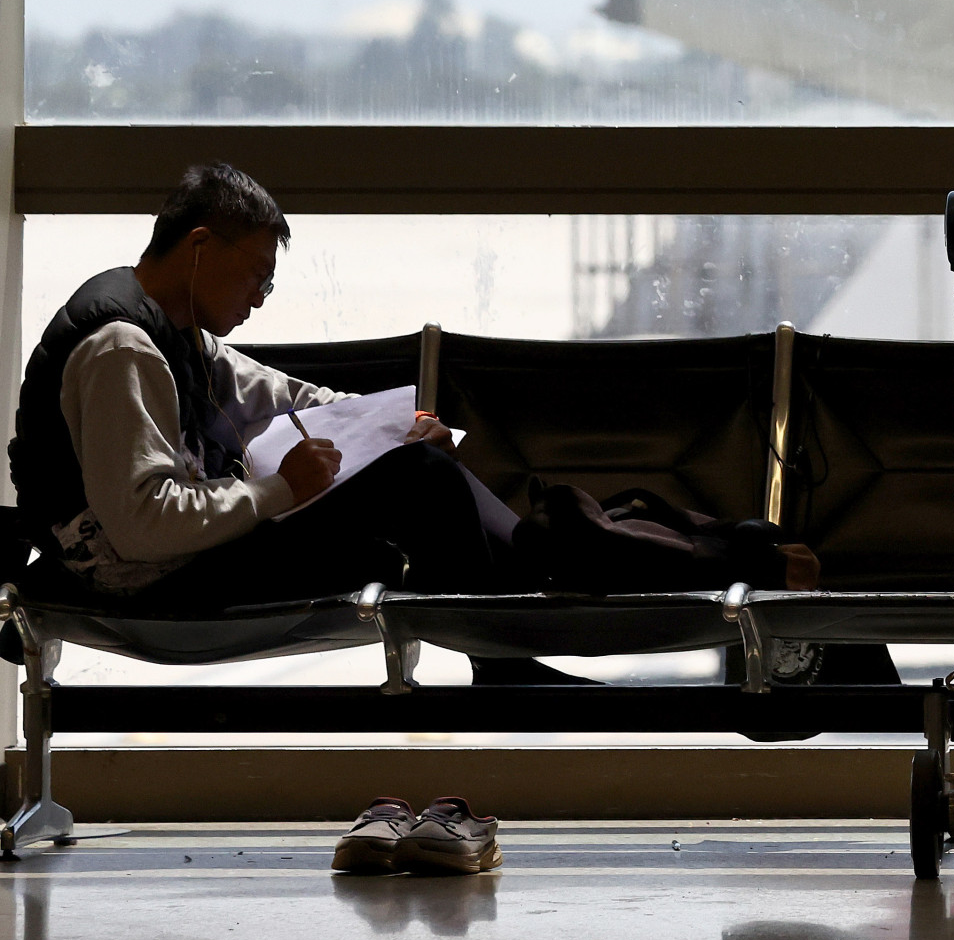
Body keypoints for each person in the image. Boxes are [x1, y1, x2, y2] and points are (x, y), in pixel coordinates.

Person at [6, 163, 575, 683]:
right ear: (200, 246)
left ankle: (519, 636)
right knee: (421, 482)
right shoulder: (121, 349)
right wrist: (281, 489)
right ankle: (530, 629)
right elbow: (141, 527)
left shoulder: (177, 332)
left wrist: (402, 421)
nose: (259, 298)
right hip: (149, 586)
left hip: (180, 561)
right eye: (256, 275)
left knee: (417, 472)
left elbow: (288, 396)